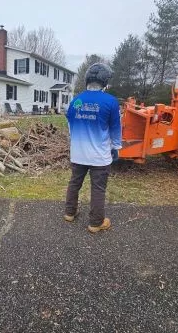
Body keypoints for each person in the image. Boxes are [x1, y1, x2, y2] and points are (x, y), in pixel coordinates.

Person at [64, 63, 122, 233]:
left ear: (87, 79)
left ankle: (69, 213)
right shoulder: (110, 102)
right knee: (98, 189)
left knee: (74, 183)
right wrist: (116, 147)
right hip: (99, 156)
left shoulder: (76, 101)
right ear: (104, 82)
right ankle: (96, 223)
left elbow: (70, 127)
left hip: (78, 154)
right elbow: (115, 129)